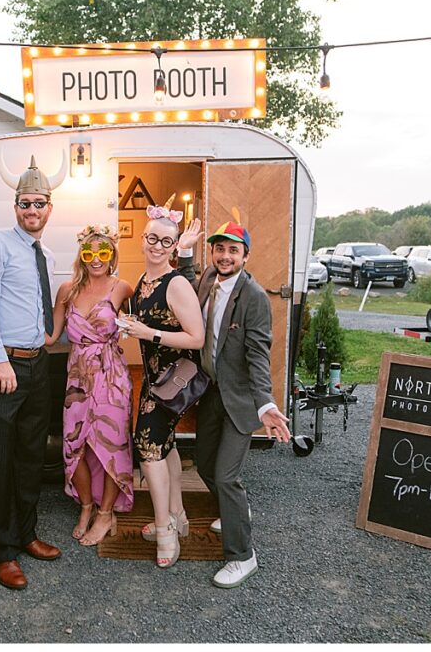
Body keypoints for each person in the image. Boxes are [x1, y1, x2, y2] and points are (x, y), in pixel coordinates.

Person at [177, 220, 291, 589]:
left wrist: (265, 405)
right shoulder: (210, 277)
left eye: (233, 250)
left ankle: (243, 556)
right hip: (211, 392)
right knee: (206, 466)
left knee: (227, 476)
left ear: (245, 256)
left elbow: (258, 355)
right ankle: (234, 511)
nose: (225, 256)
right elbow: (187, 287)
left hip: (240, 398)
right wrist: (184, 251)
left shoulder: (254, 297)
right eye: (219, 249)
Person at [0, 154, 67, 590]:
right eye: (25, 203)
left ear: (50, 208)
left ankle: (27, 533)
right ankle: (1, 550)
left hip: (37, 363)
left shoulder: (46, 253)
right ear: (15, 207)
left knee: (32, 454)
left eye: (39, 203)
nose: (32, 210)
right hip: (4, 365)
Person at [118, 205, 204, 569]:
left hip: (172, 383)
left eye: (166, 241)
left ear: (173, 246)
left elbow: (196, 338)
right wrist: (132, 325)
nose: (157, 246)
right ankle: (178, 515)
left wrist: (148, 332)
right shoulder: (143, 281)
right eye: (152, 238)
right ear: (142, 239)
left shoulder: (176, 283)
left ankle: (165, 530)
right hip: (154, 380)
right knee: (166, 446)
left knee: (148, 448)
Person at [46, 224, 134, 546]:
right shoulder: (66, 290)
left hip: (112, 376)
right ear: (81, 255)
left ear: (112, 255)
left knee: (112, 443)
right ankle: (86, 506)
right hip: (78, 378)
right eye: (89, 253)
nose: (96, 259)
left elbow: (141, 319)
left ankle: (106, 513)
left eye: (103, 252)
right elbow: (50, 337)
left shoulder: (122, 288)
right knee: (75, 444)